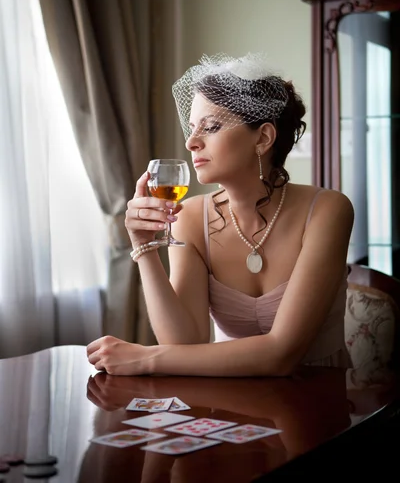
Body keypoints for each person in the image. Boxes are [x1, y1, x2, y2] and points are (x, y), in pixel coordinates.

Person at [87, 52, 354, 376]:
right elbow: (184, 343)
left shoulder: (328, 211)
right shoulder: (189, 217)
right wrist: (144, 247)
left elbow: (281, 354)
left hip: (319, 404)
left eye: (211, 127)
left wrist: (146, 357)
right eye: (191, 128)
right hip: (232, 403)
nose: (190, 142)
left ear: (263, 138)